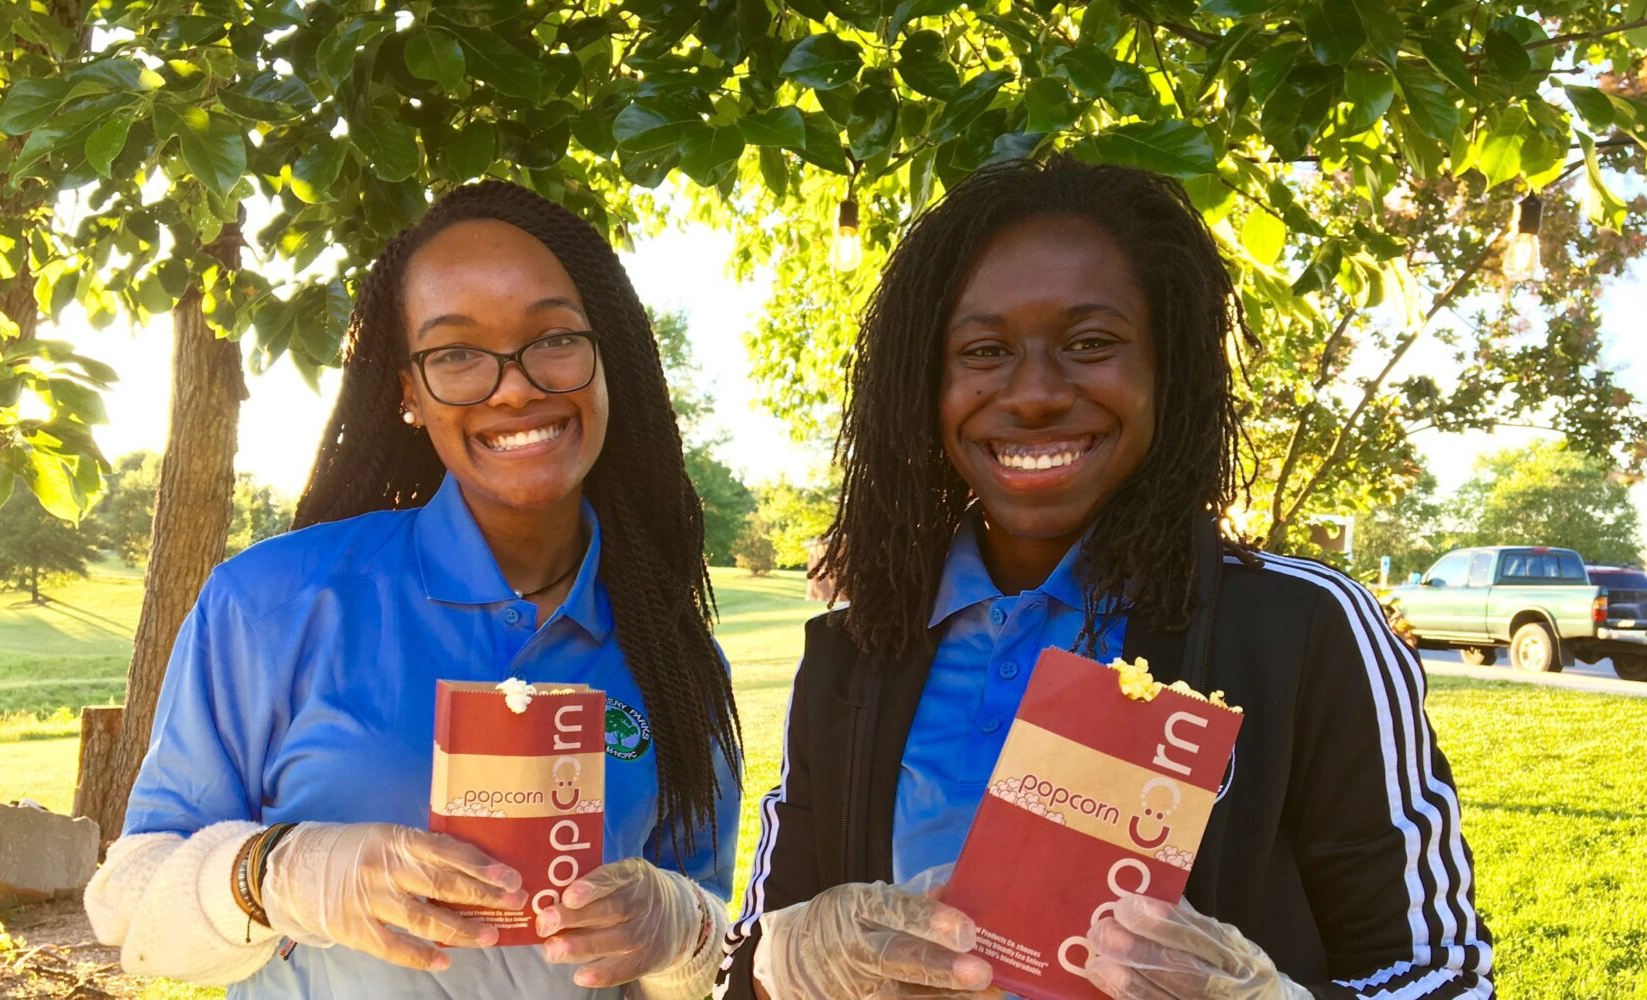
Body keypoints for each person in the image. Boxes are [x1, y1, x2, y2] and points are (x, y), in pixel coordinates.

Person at [716, 157, 1492, 999]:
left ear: (1169, 371)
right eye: (984, 350)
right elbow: (749, 961)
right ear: (925, 385)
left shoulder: (1298, 630)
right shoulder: (856, 651)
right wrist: (784, 965)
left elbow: (1442, 976)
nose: (1037, 393)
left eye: (1091, 343)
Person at [86, 181, 742, 998]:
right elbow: (129, 910)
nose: (514, 386)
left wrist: (681, 929)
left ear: (609, 358)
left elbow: (715, 951)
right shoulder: (270, 604)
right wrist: (282, 872)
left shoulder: (674, 656)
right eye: (456, 353)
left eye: (555, 339)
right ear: (407, 392)